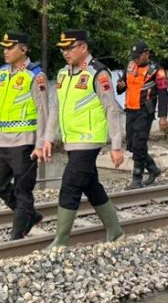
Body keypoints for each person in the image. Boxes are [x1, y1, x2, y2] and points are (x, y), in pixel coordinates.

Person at [40, 30, 126, 247]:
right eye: (62, 48)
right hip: (71, 140)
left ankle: (60, 241)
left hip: (89, 140)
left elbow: (112, 109)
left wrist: (117, 145)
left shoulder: (98, 73)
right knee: (90, 184)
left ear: (83, 48)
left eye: (70, 48)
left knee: (70, 184)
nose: (65, 52)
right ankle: (115, 231)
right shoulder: (63, 74)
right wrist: (48, 138)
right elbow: (56, 107)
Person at [0, 32, 47, 239]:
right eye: (4, 47)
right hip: (2, 140)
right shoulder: (2, 73)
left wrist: (40, 144)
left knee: (22, 190)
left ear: (24, 49)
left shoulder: (35, 76)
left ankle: (17, 236)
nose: (5, 51)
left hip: (25, 141)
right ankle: (30, 214)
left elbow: (43, 110)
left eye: (10, 48)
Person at [115, 41, 168, 189]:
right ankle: (153, 169)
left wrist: (163, 117)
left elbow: (163, 93)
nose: (135, 60)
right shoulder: (131, 66)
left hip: (145, 111)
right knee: (132, 145)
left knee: (139, 144)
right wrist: (120, 86)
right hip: (130, 110)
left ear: (146, 54)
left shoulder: (156, 70)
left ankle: (136, 179)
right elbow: (123, 85)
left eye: (138, 56)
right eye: (134, 57)